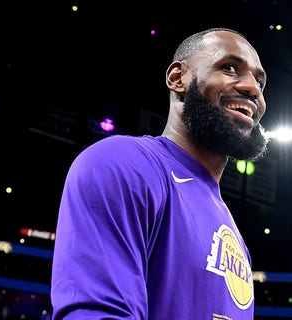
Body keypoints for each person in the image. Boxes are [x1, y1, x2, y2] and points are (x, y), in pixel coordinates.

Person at [50, 27, 269, 319]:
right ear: (178, 78)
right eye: (229, 68)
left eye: (260, 81)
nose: (253, 88)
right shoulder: (124, 163)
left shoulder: (233, 234)